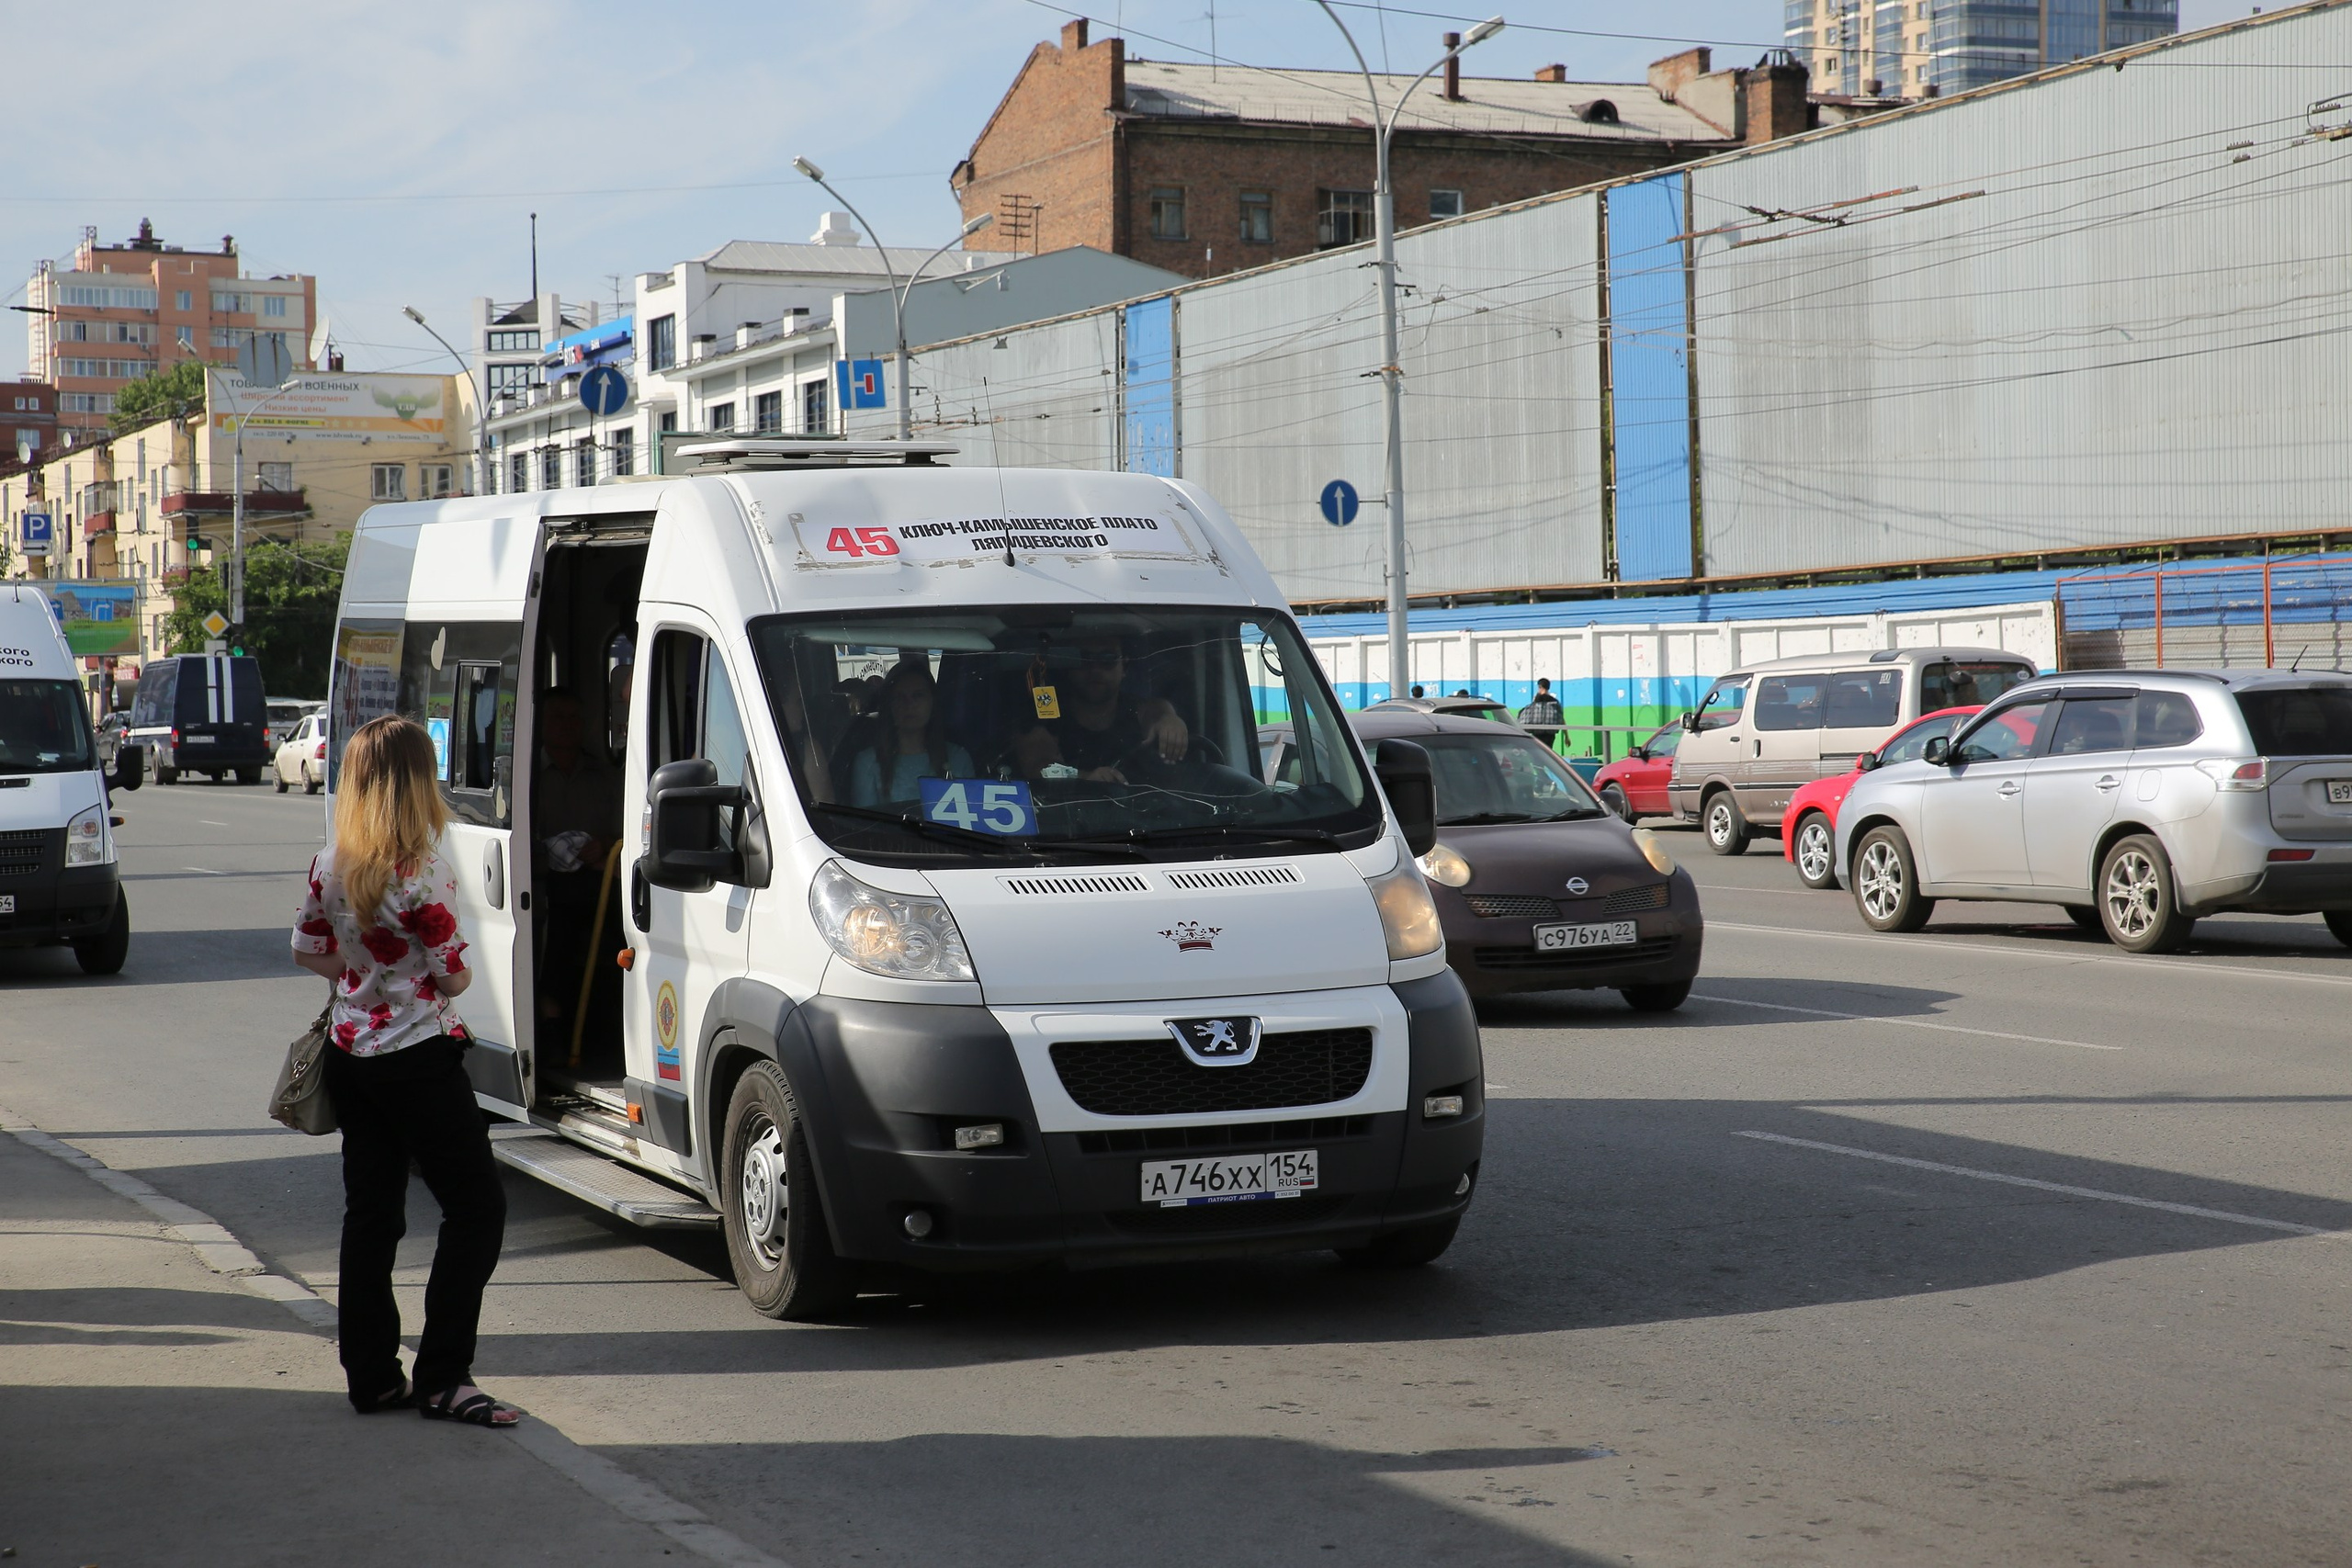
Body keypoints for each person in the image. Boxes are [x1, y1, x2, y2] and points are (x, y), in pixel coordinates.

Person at [289, 716, 520, 1428]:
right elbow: (453, 978)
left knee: (372, 1215)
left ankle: (372, 1377)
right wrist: (406, 977)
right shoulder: (424, 871)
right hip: (418, 1057)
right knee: (476, 1208)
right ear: (417, 784)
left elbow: (306, 948)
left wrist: (363, 975)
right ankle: (444, 1376)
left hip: (352, 1055)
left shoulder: (330, 864)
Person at [533, 688, 622, 1039]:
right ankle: (553, 1026)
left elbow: (623, 831)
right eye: (558, 717)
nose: (567, 725)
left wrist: (603, 845)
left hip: (600, 878)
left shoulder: (604, 776)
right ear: (541, 722)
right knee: (557, 934)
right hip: (543, 883)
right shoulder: (528, 775)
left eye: (574, 718)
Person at [1012, 637, 1188, 784]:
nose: (1095, 670)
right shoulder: (1045, 711)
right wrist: (1085, 778)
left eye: (1107, 659)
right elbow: (1039, 766)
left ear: (1124, 667)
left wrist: (1169, 721)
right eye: (1083, 660)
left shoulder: (1141, 710)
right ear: (1068, 666)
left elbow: (1159, 713)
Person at [849, 660, 974, 807]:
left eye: (918, 695)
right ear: (889, 705)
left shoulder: (958, 759)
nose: (909, 704)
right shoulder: (868, 763)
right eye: (900, 697)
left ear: (932, 702)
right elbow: (865, 819)